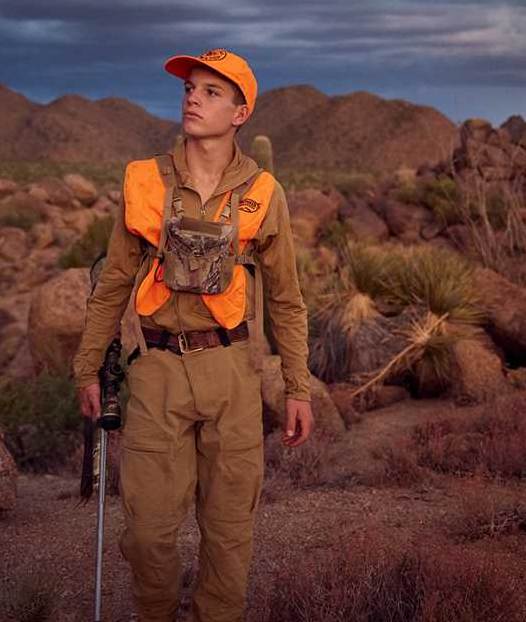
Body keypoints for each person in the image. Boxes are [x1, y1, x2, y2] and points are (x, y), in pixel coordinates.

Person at [72, 48, 313, 622]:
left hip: (232, 371)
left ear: (240, 113)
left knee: (228, 537)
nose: (192, 99)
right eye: (189, 89)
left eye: (210, 92)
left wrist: (297, 387)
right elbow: (112, 285)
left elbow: (286, 299)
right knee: (149, 535)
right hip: (157, 371)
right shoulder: (144, 181)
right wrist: (86, 367)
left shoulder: (264, 192)